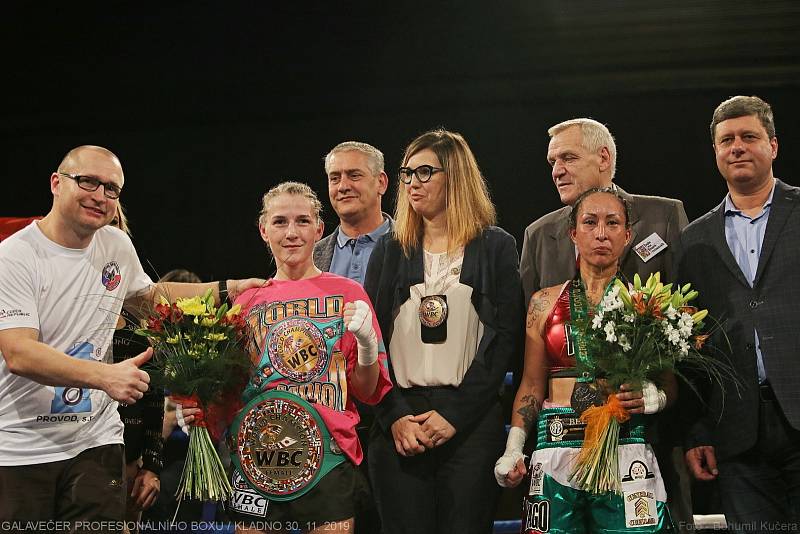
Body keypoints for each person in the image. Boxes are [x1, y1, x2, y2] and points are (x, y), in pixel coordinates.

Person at [0, 145, 264, 526]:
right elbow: (19, 353)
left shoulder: (115, 246)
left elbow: (151, 298)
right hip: (23, 447)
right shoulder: (15, 257)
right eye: (88, 182)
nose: (100, 196)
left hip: (94, 439)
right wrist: (104, 376)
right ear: (56, 183)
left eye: (112, 189)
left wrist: (230, 288)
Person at [181, 181, 391, 533]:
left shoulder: (348, 293)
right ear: (264, 230)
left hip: (328, 454)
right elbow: (230, 391)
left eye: (302, 221)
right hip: (256, 454)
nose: (291, 232)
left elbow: (368, 391)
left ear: (319, 229)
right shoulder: (245, 302)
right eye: (280, 222)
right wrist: (199, 411)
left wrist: (368, 347)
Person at [519, 118, 691, 531]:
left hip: (650, 435)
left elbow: (689, 330)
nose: (557, 168)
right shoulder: (540, 234)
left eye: (568, 157)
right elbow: (528, 343)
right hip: (562, 438)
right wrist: (517, 442)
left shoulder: (665, 216)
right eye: (552, 161)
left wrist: (684, 422)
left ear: (604, 158)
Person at [364, 129, 524, 534]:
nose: (413, 183)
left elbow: (504, 340)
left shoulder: (496, 246)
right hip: (399, 423)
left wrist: (454, 414)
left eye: (424, 172)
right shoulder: (388, 249)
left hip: (468, 422)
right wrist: (395, 417)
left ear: (455, 176)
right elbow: (369, 343)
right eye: (407, 174)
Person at [496, 187, 676, 533]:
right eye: (590, 222)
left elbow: (669, 384)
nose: (601, 233)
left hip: (624, 448)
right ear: (573, 233)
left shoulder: (648, 305)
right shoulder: (542, 303)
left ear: (627, 235)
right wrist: (514, 447)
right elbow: (532, 383)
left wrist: (653, 398)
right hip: (555, 450)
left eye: (612, 223)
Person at [676, 95, 800, 531]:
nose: (737, 147)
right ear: (715, 151)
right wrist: (697, 431)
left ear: (774, 146)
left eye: (749, 137)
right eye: (727, 140)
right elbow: (689, 346)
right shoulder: (693, 241)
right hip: (738, 430)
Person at [313, 141, 392, 534]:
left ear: (381, 182)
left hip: (394, 417)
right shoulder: (310, 254)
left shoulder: (414, 246)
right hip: (328, 423)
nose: (342, 185)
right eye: (334, 177)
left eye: (353, 175)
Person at [109, 204, 163, 529]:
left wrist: (151, 465)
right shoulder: (56, 304)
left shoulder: (140, 317)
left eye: (114, 220)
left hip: (128, 459)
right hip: (63, 454)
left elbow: (154, 393)